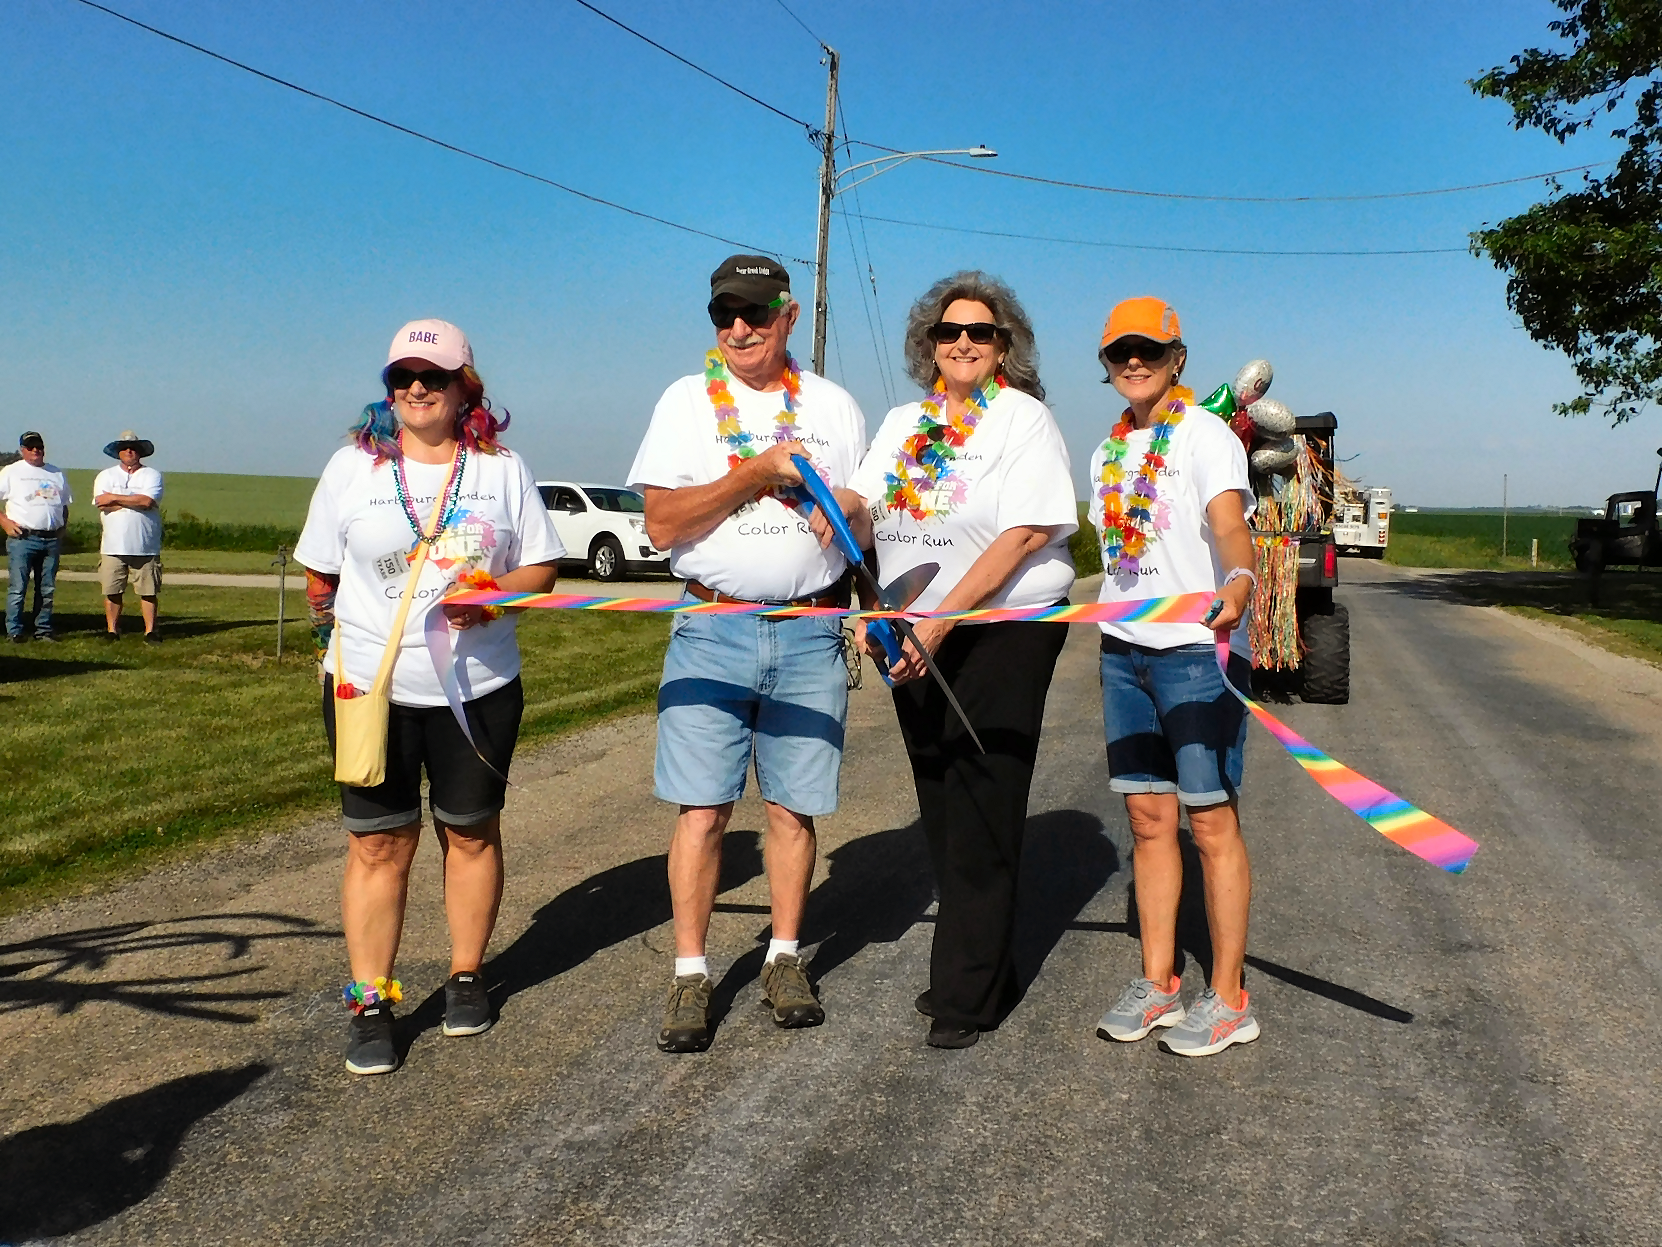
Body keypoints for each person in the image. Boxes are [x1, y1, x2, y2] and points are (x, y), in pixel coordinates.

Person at [295, 318, 564, 1076]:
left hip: (477, 689)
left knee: (471, 833)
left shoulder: (501, 469)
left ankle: (466, 975)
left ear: (464, 387)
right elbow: (320, 575)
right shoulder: (351, 468)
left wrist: (493, 595)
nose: (417, 389)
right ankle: (370, 1003)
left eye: (434, 377)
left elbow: (541, 568)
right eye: (403, 377)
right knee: (378, 844)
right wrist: (333, 646)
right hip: (370, 692)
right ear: (388, 389)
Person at [628, 254, 868, 1054]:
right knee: (702, 810)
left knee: (792, 808)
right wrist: (755, 472)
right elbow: (662, 523)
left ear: (788, 316)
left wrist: (854, 511)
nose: (738, 327)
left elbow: (867, 518)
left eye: (756, 312)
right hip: (712, 626)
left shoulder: (834, 406)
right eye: (724, 313)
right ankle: (690, 973)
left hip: (810, 629)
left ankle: (784, 957)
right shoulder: (685, 401)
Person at [844, 271, 1078, 1049]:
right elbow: (865, 507)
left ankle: (965, 992)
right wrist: (833, 509)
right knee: (941, 799)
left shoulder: (1022, 420)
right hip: (912, 629)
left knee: (981, 800)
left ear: (1004, 345)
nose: (964, 342)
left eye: (981, 332)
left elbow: (1025, 533)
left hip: (1000, 631)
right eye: (950, 331)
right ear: (930, 344)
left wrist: (941, 623)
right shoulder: (904, 423)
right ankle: (984, 966)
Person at [1088, 296, 1261, 1057]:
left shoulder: (1205, 436)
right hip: (1123, 651)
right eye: (1120, 351)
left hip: (1196, 652)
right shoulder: (1106, 451)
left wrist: (1240, 581)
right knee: (1147, 819)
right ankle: (1159, 983)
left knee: (1210, 821)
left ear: (1177, 359)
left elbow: (1229, 524)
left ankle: (1229, 997)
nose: (1135, 362)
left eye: (1150, 351)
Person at [93, 430, 165, 643]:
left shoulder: (152, 475)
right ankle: (112, 630)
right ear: (118, 452)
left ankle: (150, 631)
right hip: (112, 545)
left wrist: (114, 498)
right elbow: (101, 503)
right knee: (112, 590)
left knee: (148, 591)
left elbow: (147, 501)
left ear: (140, 451)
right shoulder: (105, 475)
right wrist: (132, 500)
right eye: (124, 448)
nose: (129, 451)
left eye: (133, 448)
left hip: (145, 545)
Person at [0, 431, 72, 643]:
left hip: (51, 539)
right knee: (18, 587)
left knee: (47, 588)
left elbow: (64, 504)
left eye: (38, 446)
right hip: (23, 538)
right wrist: (5, 522)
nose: (35, 450)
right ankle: (14, 630)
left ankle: (43, 630)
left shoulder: (56, 473)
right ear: (22, 449)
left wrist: (62, 527)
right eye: (30, 447)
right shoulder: (11, 471)